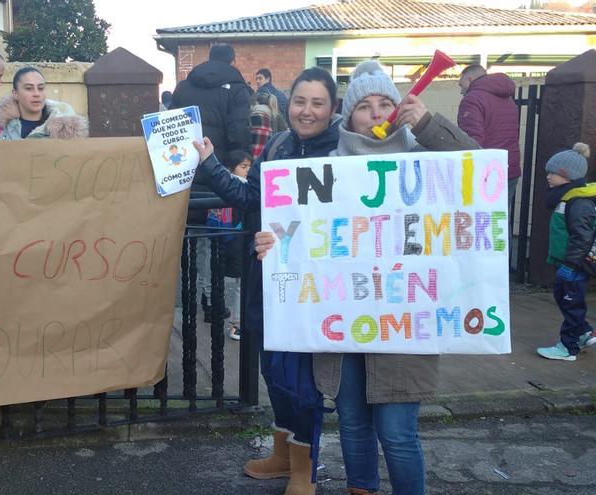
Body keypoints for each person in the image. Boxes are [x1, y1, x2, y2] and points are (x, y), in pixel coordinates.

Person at [254, 60, 479, 495]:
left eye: (385, 104)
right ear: (349, 115)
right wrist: (273, 243)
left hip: (402, 322)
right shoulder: (329, 165)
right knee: (353, 423)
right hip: (344, 318)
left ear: (398, 110)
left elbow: (477, 165)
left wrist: (430, 124)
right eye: (365, 106)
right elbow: (301, 229)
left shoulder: (421, 157)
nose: (376, 114)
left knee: (396, 432)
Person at [193, 67, 342, 495]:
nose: (306, 111)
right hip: (269, 278)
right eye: (300, 101)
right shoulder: (277, 144)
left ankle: (304, 469)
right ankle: (282, 455)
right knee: (274, 373)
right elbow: (248, 198)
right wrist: (209, 161)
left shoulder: (342, 154)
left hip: (313, 289)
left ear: (332, 109)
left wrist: (291, 236)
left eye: (317, 103)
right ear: (288, 103)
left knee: (302, 382)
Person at [171, 43, 252, 318]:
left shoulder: (183, 87)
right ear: (232, 60)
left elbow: (168, 124)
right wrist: (236, 167)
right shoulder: (238, 90)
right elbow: (238, 132)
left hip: (182, 170)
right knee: (215, 239)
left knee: (190, 237)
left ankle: (188, 298)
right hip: (217, 173)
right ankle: (211, 301)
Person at [537, 143, 596, 361]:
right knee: (564, 298)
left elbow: (582, 237)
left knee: (571, 303)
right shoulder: (567, 197)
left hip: (575, 265)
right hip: (568, 263)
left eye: (553, 173)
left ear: (567, 176)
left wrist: (571, 266)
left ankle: (568, 347)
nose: (548, 177)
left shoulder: (578, 202)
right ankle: (584, 332)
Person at [457, 64, 521, 211]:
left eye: (461, 85)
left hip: (487, 172)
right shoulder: (507, 98)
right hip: (510, 168)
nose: (461, 91)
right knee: (501, 223)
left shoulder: (472, 99)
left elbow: (472, 141)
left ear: (470, 79)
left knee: (483, 223)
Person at [203, 149, 252, 341]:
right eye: (243, 166)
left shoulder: (220, 186)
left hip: (221, 238)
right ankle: (237, 324)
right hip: (238, 241)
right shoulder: (244, 188)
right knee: (242, 283)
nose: (248, 170)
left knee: (215, 276)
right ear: (232, 168)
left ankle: (213, 308)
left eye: (249, 166)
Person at [0, 67, 88, 141]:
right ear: (15, 93)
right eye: (29, 88)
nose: (37, 94)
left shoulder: (67, 131)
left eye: (41, 88)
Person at [250, 92, 287, 160]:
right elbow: (284, 129)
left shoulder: (253, 113)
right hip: (271, 149)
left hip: (253, 152)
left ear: (257, 102)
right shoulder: (276, 113)